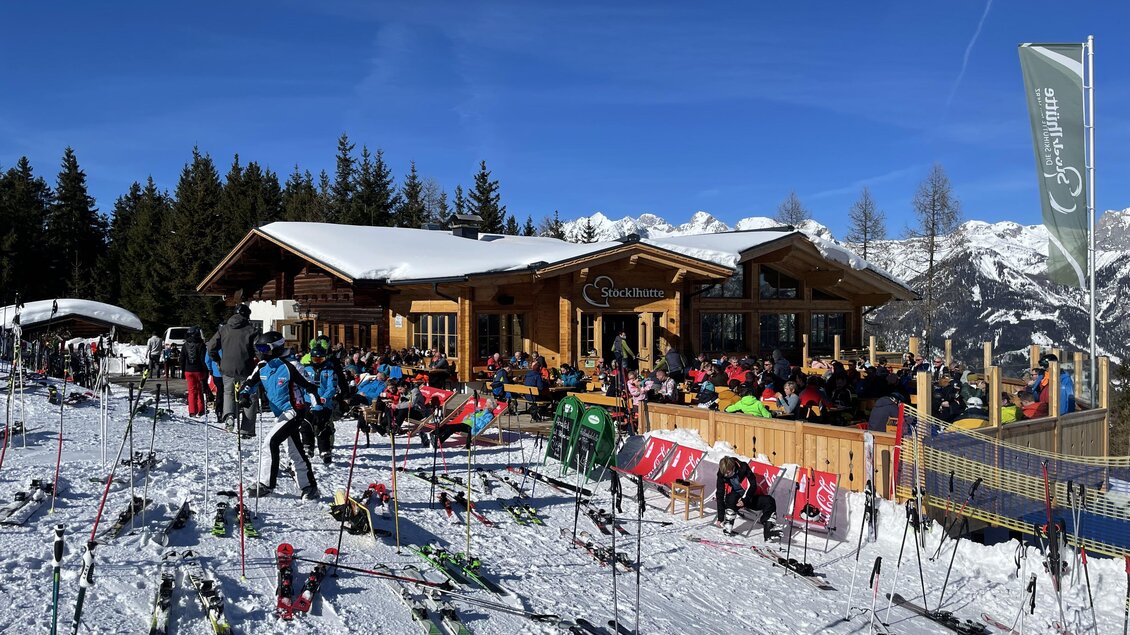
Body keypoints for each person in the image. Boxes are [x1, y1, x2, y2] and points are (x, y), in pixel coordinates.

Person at [238, 331, 319, 500]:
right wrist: (244, 395)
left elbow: (310, 386)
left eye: (263, 348)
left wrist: (317, 408)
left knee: (269, 443)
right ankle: (309, 486)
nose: (260, 352)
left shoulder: (291, 366)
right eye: (258, 348)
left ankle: (266, 484)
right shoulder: (262, 366)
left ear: (275, 348)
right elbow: (249, 383)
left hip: (293, 411)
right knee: (294, 450)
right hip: (280, 414)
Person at [207, 304, 259, 437]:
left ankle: (229, 415)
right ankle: (246, 429)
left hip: (227, 367)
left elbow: (211, 347)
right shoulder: (251, 330)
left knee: (228, 392)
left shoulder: (223, 329)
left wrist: (218, 360)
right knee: (250, 396)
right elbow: (258, 350)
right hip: (246, 368)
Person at [715, 456, 779, 540]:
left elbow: (753, 485)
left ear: (733, 467)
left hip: (750, 497)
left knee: (769, 500)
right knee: (731, 497)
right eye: (725, 474)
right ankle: (727, 526)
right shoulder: (722, 474)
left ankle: (768, 530)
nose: (727, 475)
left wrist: (744, 500)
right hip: (734, 499)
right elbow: (720, 494)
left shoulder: (743, 467)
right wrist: (720, 517)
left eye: (728, 473)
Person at [301, 344, 339, 464]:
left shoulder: (330, 371)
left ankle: (325, 450)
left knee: (323, 427)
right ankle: (307, 446)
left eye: (320, 359)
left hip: (324, 403)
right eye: (315, 359)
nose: (317, 362)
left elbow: (332, 387)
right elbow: (302, 385)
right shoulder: (306, 370)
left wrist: (324, 398)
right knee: (306, 424)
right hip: (308, 401)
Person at [181, 328, 208, 417]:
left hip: (188, 370)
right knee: (200, 389)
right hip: (199, 370)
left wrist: (183, 370)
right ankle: (201, 409)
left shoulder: (185, 345)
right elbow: (203, 359)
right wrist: (206, 370)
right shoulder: (201, 344)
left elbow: (182, 359)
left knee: (191, 391)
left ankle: (192, 410)